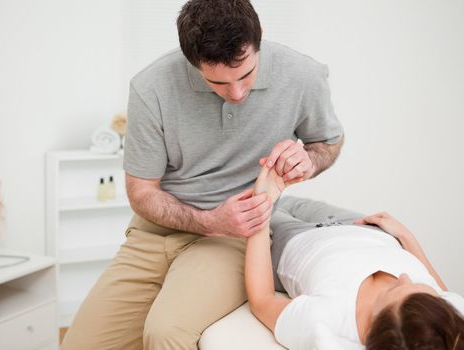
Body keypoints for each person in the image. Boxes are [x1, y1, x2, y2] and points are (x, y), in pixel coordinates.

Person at [61, 1, 344, 349]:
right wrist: (210, 220)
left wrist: (309, 161)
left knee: (165, 332)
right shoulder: (151, 87)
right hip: (154, 233)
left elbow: (326, 142)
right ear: (191, 62)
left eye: (246, 75)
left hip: (232, 239)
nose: (237, 93)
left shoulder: (302, 75)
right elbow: (141, 192)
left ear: (258, 43)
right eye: (218, 82)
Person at [246, 165, 464, 350]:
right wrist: (406, 236)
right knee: (290, 198)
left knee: (249, 195)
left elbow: (262, 301)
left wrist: (261, 205)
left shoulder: (323, 322)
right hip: (369, 229)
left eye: (394, 289)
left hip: (298, 241)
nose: (404, 277)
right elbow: (444, 292)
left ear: (373, 329)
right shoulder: (446, 324)